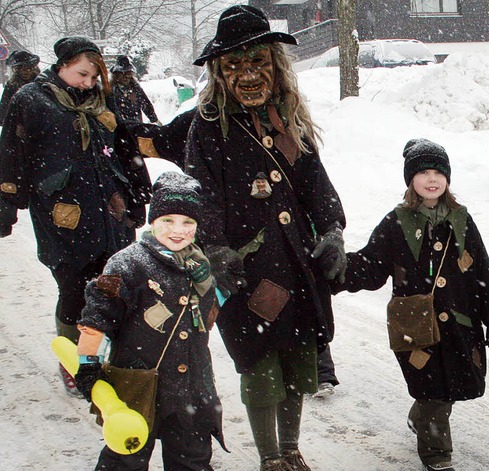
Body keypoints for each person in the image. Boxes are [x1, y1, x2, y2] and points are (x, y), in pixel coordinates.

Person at [186, 5, 346, 470]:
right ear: (219, 72)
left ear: (274, 64)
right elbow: (202, 194)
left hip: (296, 265)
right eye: (234, 65)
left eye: (257, 62)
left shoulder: (288, 118)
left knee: (296, 363)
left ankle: (292, 449)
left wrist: (333, 229)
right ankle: (270, 456)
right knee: (259, 366)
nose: (248, 75)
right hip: (246, 271)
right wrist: (213, 246)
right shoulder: (208, 127)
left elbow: (317, 184)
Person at [332, 139, 489, 471]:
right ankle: (437, 455)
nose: (432, 179)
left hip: (459, 320)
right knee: (432, 388)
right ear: (410, 179)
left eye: (439, 172)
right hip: (415, 325)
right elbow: (371, 266)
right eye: (424, 172)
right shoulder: (396, 222)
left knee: (453, 383)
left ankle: (421, 418)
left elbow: (482, 268)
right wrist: (336, 270)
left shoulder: (461, 220)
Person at [0, 37, 151, 395]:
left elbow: (126, 145)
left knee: (114, 287)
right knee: (73, 290)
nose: (89, 82)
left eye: (94, 76)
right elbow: (11, 154)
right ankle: (75, 360)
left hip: (111, 210)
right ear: (63, 65)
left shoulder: (103, 98)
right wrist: (6, 204)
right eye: (83, 74)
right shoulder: (31, 100)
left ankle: (113, 358)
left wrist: (139, 192)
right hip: (62, 213)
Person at [74, 171, 227, 470]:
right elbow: (97, 315)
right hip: (138, 383)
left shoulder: (200, 265)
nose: (178, 231)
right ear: (153, 220)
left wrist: (219, 289)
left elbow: (205, 316)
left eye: (188, 223)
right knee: (126, 458)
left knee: (193, 458)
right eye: (168, 221)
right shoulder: (126, 263)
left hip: (192, 386)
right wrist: (87, 361)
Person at [110, 55, 159, 124]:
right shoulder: (111, 89)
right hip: (119, 128)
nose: (126, 76)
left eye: (128, 73)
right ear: (116, 75)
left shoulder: (135, 88)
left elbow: (145, 104)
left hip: (136, 125)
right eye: (122, 74)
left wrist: (154, 119)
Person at [0, 50, 40, 126]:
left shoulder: (40, 83)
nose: (25, 71)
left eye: (28, 68)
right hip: (18, 130)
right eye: (21, 68)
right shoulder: (11, 86)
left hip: (39, 128)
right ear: (16, 70)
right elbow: (4, 112)